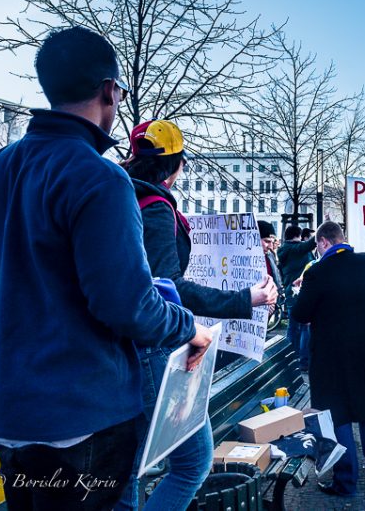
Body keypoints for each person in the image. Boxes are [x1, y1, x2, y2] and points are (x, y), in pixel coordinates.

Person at [0, 26, 211, 510]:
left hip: (7, 415)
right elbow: (128, 306)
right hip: (81, 417)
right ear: (110, 90)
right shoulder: (99, 177)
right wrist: (189, 327)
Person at [118, 119, 278, 510]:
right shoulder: (155, 209)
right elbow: (167, 288)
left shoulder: (124, 199)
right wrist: (247, 299)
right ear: (178, 165)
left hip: (126, 347)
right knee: (193, 462)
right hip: (156, 350)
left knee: (125, 471)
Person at [291, 222, 365, 497]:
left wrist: (304, 291)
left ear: (323, 242)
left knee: (339, 415)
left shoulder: (317, 272)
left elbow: (300, 314)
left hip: (331, 355)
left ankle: (346, 480)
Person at [279, 225, 317, 370]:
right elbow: (309, 245)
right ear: (298, 235)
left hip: (290, 292)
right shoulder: (294, 249)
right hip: (300, 292)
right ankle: (303, 361)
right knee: (304, 328)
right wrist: (324, 227)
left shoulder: (284, 249)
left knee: (293, 327)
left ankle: (290, 358)